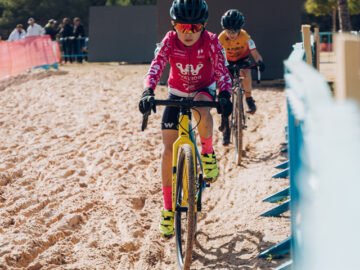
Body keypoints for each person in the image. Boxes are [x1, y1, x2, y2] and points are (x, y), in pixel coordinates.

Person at [138, 0, 233, 239]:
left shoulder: (211, 41)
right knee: (168, 148)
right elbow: (156, 66)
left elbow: (222, 70)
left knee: (202, 107)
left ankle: (208, 154)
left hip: (203, 89)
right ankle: (168, 210)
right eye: (183, 26)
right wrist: (148, 90)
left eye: (194, 27)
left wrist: (224, 94)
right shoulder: (169, 40)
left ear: (203, 26)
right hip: (176, 93)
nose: (188, 33)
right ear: (174, 25)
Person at [218, 9, 265, 145]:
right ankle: (226, 130)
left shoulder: (245, 36)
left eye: (234, 31)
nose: (231, 35)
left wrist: (259, 62)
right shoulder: (221, 38)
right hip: (228, 62)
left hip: (242, 60)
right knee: (225, 95)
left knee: (246, 70)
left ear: (240, 29)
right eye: (228, 31)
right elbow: (215, 55)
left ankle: (249, 98)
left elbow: (254, 52)